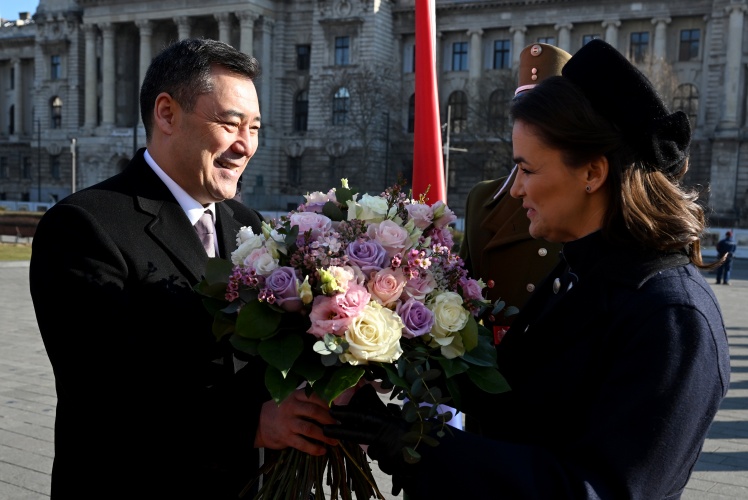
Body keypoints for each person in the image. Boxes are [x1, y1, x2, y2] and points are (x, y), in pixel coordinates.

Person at [324, 39, 730, 499]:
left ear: (592, 173)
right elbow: (515, 403)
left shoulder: (672, 319)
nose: (515, 190)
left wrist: (415, 446)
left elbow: (597, 489)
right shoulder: (578, 274)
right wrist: (390, 365)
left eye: (527, 169)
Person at [29, 38, 337, 499]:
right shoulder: (84, 225)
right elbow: (104, 392)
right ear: (167, 114)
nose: (245, 146)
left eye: (254, 128)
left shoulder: (250, 226)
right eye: (230, 124)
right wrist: (254, 423)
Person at [459, 42, 569, 436]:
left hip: (554, 394)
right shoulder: (483, 199)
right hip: (487, 387)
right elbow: (459, 295)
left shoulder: (582, 208)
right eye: (525, 114)